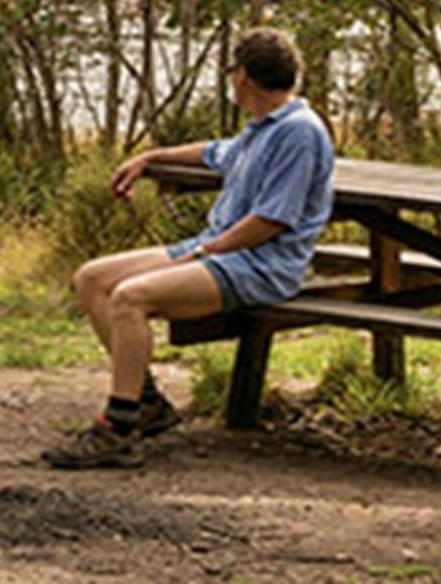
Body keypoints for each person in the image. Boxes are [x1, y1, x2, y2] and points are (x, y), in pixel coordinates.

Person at [41, 25, 334, 470]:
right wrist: (152, 157)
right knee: (92, 279)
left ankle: (118, 431)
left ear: (244, 78)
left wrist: (208, 251)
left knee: (129, 297)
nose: (230, 78)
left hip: (260, 265)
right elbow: (217, 152)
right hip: (219, 249)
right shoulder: (263, 128)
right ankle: (145, 404)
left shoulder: (299, 133)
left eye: (232, 70)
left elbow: (272, 221)